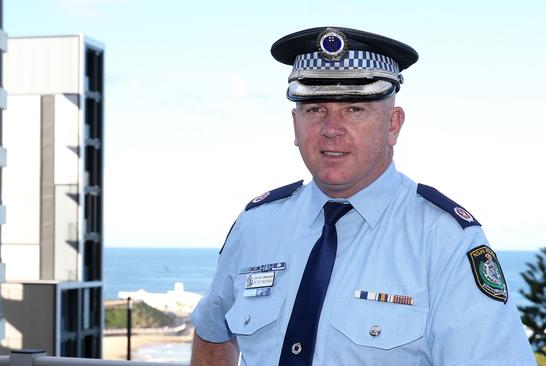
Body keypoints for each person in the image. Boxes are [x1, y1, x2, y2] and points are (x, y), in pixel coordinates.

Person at [189, 26, 536, 365]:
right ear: (294, 125)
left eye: (354, 109)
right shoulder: (257, 225)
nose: (331, 129)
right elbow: (212, 329)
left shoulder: (444, 239)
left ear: (393, 125)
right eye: (315, 110)